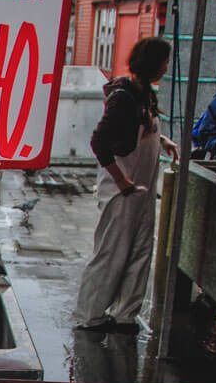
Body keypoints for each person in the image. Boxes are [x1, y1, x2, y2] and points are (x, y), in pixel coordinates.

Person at [74, 36, 179, 334]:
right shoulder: (123, 97)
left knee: (140, 250)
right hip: (122, 188)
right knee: (111, 251)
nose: (165, 67)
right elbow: (99, 142)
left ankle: (125, 314)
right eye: (163, 61)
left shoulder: (146, 94)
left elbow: (144, 129)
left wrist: (163, 140)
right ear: (153, 64)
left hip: (143, 187)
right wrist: (121, 180)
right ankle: (90, 314)